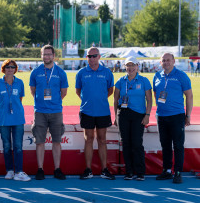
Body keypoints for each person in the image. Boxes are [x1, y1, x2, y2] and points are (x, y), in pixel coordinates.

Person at [75, 47, 115, 180]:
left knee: (102, 140)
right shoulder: (81, 73)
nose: (91, 58)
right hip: (87, 111)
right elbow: (78, 91)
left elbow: (110, 90)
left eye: (94, 56)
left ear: (99, 57)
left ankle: (104, 169)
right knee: (89, 139)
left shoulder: (107, 72)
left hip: (102, 111)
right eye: (89, 56)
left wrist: (99, 100)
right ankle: (88, 170)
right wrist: (89, 101)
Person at [29, 45, 69, 180]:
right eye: (44, 54)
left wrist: (54, 102)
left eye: (49, 54)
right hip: (40, 111)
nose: (47, 57)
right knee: (39, 142)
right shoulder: (35, 72)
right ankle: (40, 169)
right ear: (41, 56)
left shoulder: (60, 72)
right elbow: (33, 91)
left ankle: (57, 169)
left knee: (57, 141)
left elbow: (63, 93)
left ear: (53, 55)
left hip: (56, 111)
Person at [153, 53, 193, 184]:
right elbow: (155, 93)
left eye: (168, 60)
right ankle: (167, 171)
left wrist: (188, 115)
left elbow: (189, 96)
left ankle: (178, 172)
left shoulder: (181, 75)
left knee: (178, 145)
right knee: (165, 145)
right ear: (160, 62)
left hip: (177, 116)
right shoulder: (157, 76)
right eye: (163, 60)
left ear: (174, 61)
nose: (166, 62)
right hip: (162, 116)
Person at [114, 56, 152, 181]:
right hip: (123, 114)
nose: (130, 68)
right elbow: (115, 99)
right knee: (126, 144)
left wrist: (147, 115)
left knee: (137, 143)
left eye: (133, 65)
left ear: (137, 66)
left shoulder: (144, 80)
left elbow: (149, 100)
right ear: (125, 67)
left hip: (138, 115)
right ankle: (129, 172)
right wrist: (115, 116)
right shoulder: (120, 80)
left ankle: (140, 172)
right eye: (128, 65)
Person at [0, 59, 31, 182]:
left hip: (18, 118)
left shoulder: (20, 83)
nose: (10, 69)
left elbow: (19, 100)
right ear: (3, 69)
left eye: (12, 67)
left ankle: (19, 171)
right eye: (8, 67)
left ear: (15, 69)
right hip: (3, 119)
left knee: (18, 146)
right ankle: (9, 170)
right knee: (7, 146)